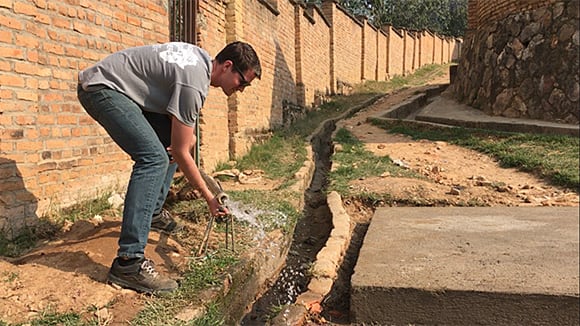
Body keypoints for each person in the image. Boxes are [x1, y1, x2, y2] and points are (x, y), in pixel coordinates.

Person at [77, 41, 262, 294]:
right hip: (102, 88)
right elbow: (182, 153)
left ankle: (151, 213)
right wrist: (209, 197)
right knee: (154, 158)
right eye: (243, 82)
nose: (241, 89)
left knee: (169, 145)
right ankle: (129, 264)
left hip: (118, 88)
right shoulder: (193, 82)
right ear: (228, 66)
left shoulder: (199, 64)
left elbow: (182, 139)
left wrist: (183, 144)